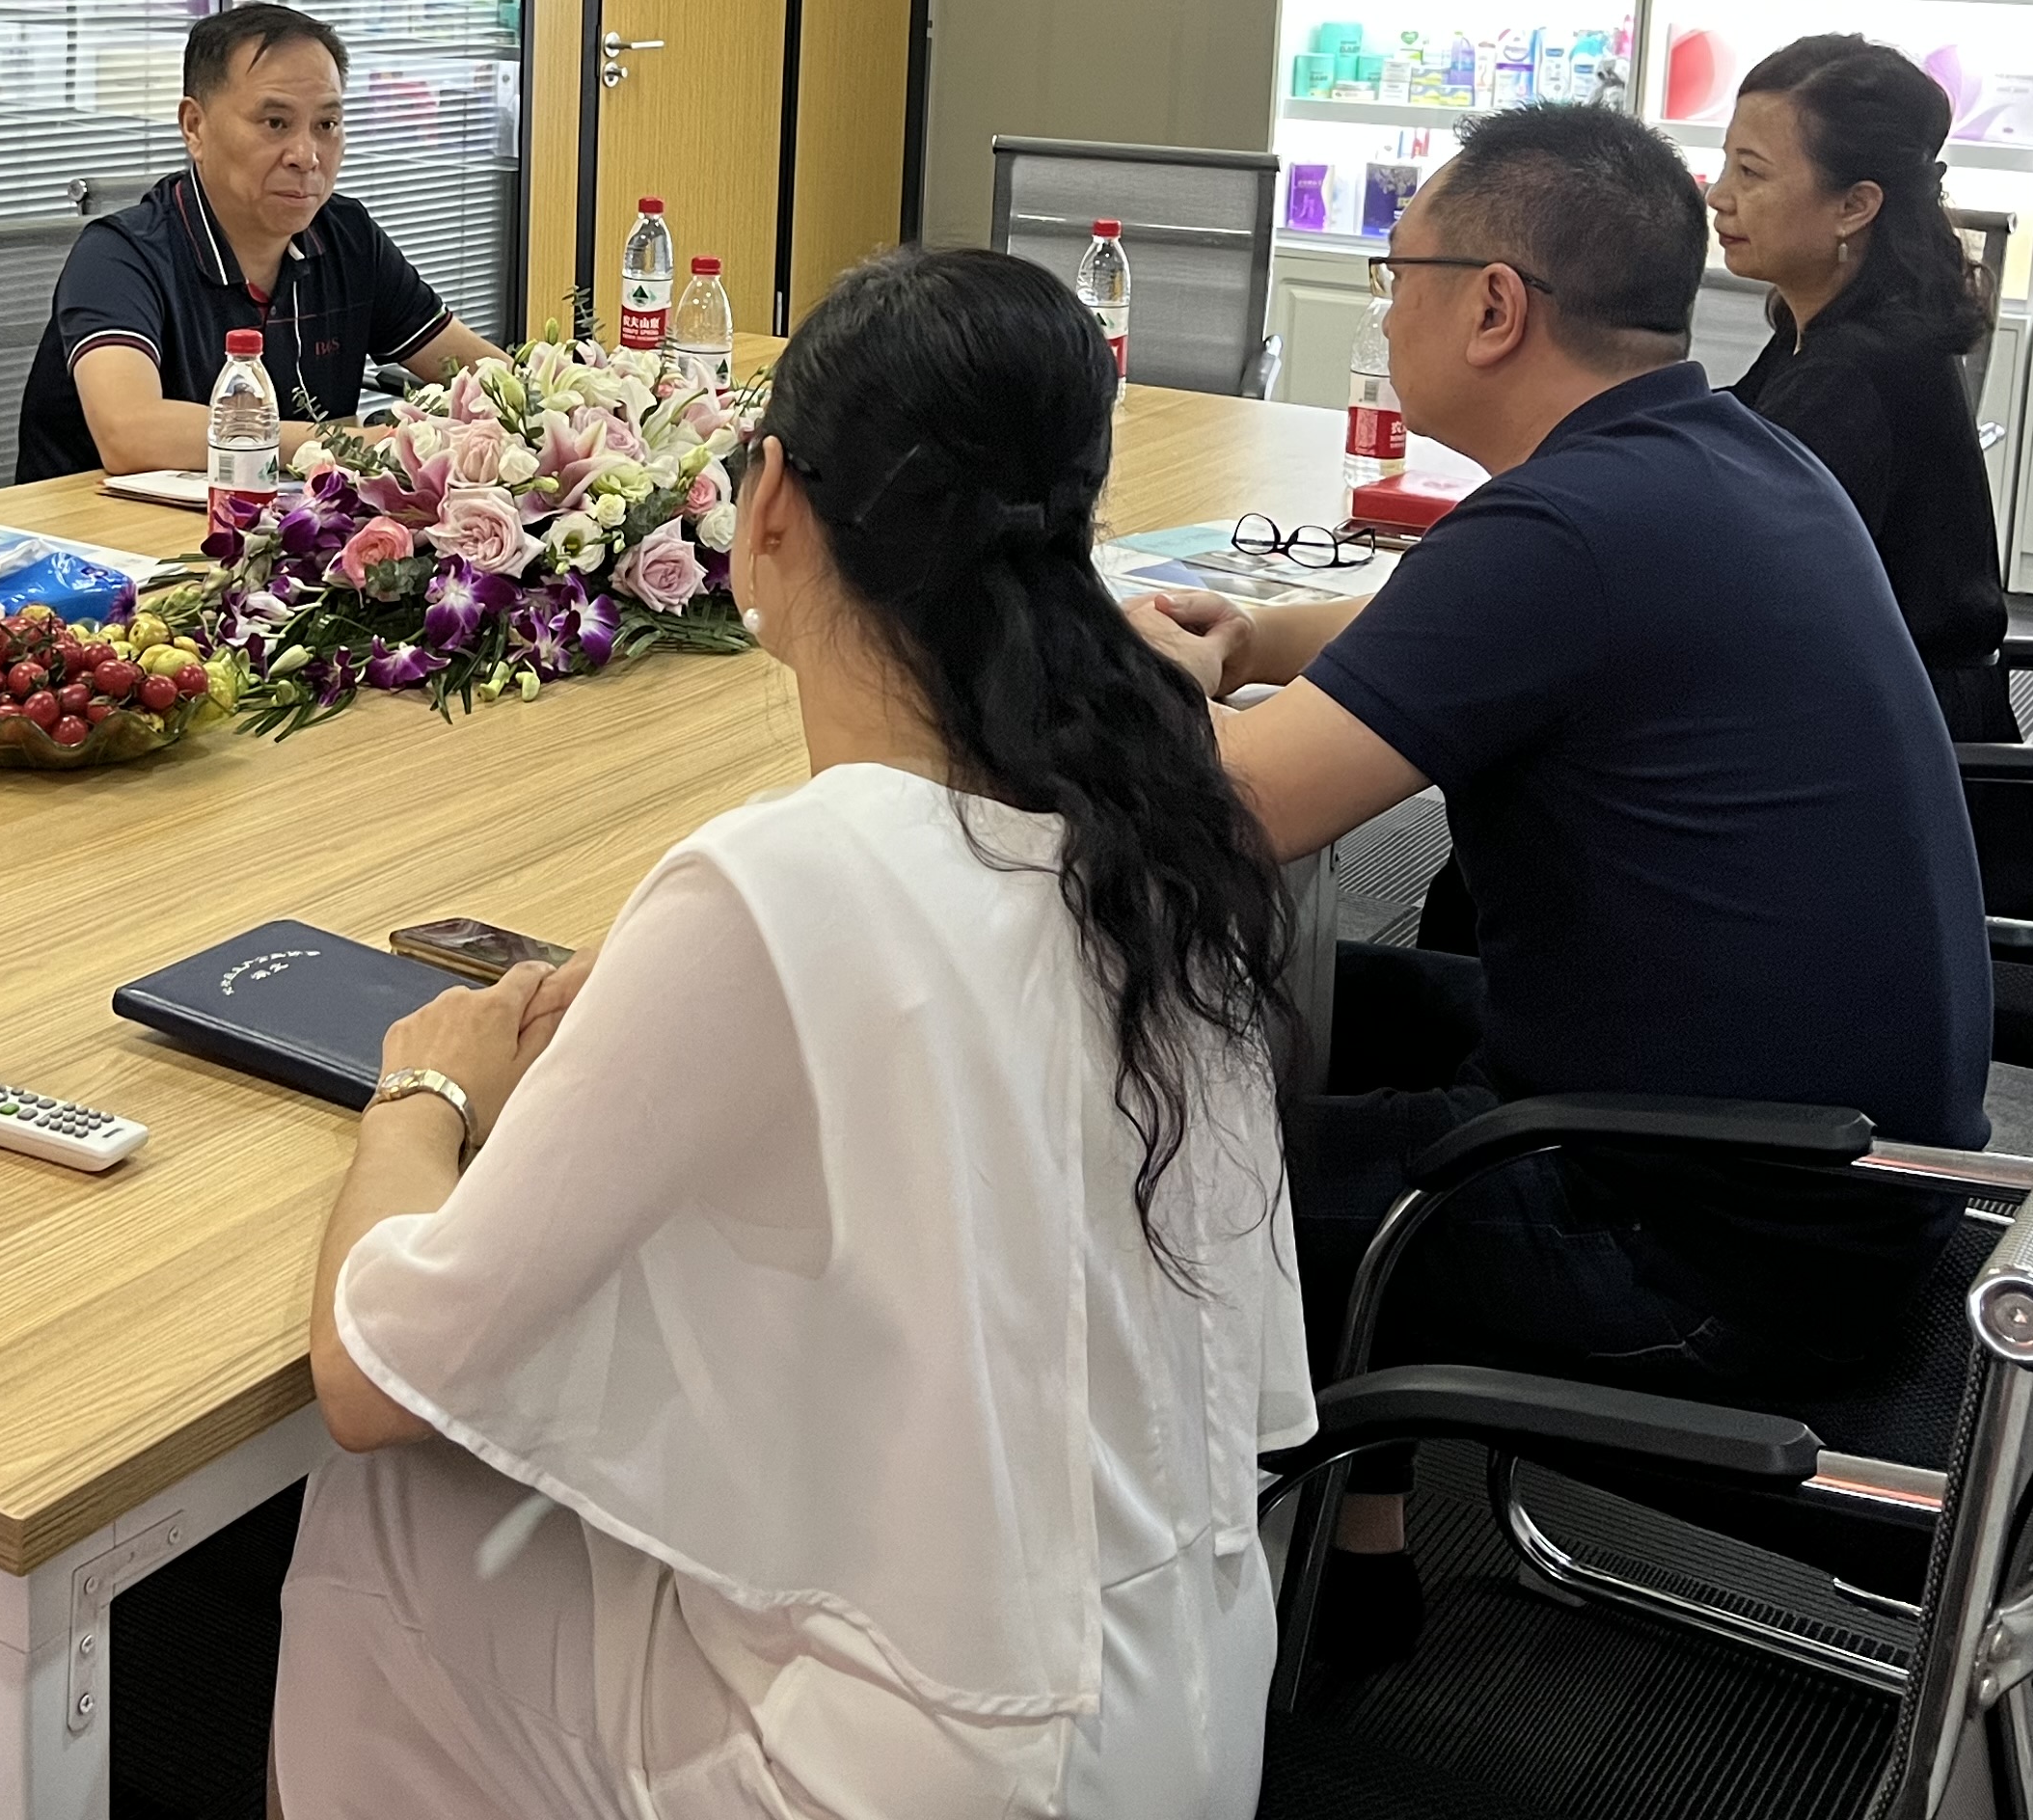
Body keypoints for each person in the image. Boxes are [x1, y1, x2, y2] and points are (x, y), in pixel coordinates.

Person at [272, 249, 1310, 1820]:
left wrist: (425, 1088)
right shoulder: (1157, 825)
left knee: (390, 1503)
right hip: (1189, 1705)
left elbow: (371, 1375)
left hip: (942, 1766)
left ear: (768, 502)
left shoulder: (786, 876)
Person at [1124, 103, 1991, 1673]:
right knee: (1305, 997)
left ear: (1493, 305)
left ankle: (1224, 1615)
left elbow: (1229, 816)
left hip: (1706, 1244)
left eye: (1396, 273)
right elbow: (1442, 616)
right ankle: (1359, 1534)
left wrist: (1161, 684)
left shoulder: (1573, 526)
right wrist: (1249, 637)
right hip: (1837, 1171)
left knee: (1158, 1177)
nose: (1383, 306)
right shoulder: (1716, 456)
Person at [1709, 34, 2033, 924]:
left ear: (1856, 205)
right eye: (1725, 163)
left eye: (1751, 172)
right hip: (1887, 749)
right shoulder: (1834, 327)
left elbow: (1738, 585)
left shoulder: (1853, 369)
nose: (1718, 195)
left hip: (1888, 809)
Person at [14, 3, 503, 479]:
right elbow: (131, 433)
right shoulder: (118, 256)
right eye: (275, 123)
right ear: (194, 127)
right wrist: (348, 446)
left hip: (288, 524)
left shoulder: (347, 236)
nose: (306, 155)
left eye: (327, 125)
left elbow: (488, 378)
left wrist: (540, 410)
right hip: (101, 530)